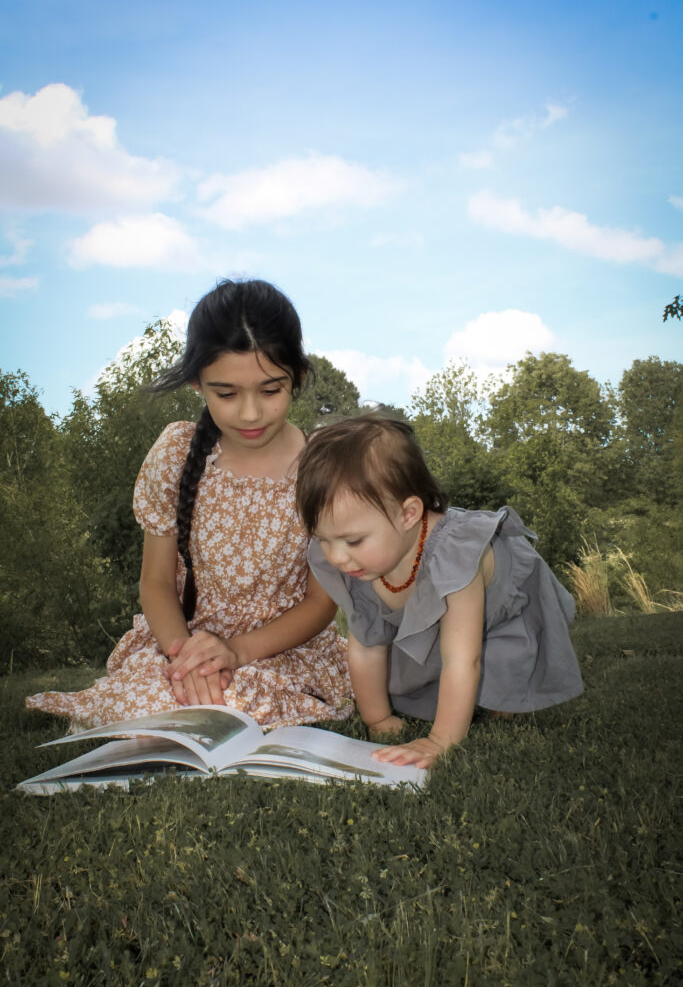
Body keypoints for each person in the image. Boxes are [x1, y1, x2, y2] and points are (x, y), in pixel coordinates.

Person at [26, 279, 352, 730]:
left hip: (281, 652)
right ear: (198, 382)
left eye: (270, 390)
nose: (251, 413)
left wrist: (235, 653)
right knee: (152, 702)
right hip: (182, 646)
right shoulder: (178, 453)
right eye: (227, 393)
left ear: (297, 375)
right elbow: (156, 583)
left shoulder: (322, 466)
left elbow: (321, 604)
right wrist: (187, 662)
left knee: (236, 701)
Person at [295, 417, 583, 769]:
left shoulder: (455, 556)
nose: (337, 557)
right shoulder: (361, 562)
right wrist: (377, 719)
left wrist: (439, 741)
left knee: (491, 663)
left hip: (506, 602)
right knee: (418, 673)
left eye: (352, 540)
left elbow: (463, 660)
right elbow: (366, 645)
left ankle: (499, 699)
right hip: (430, 590)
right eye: (323, 539)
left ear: (409, 514)